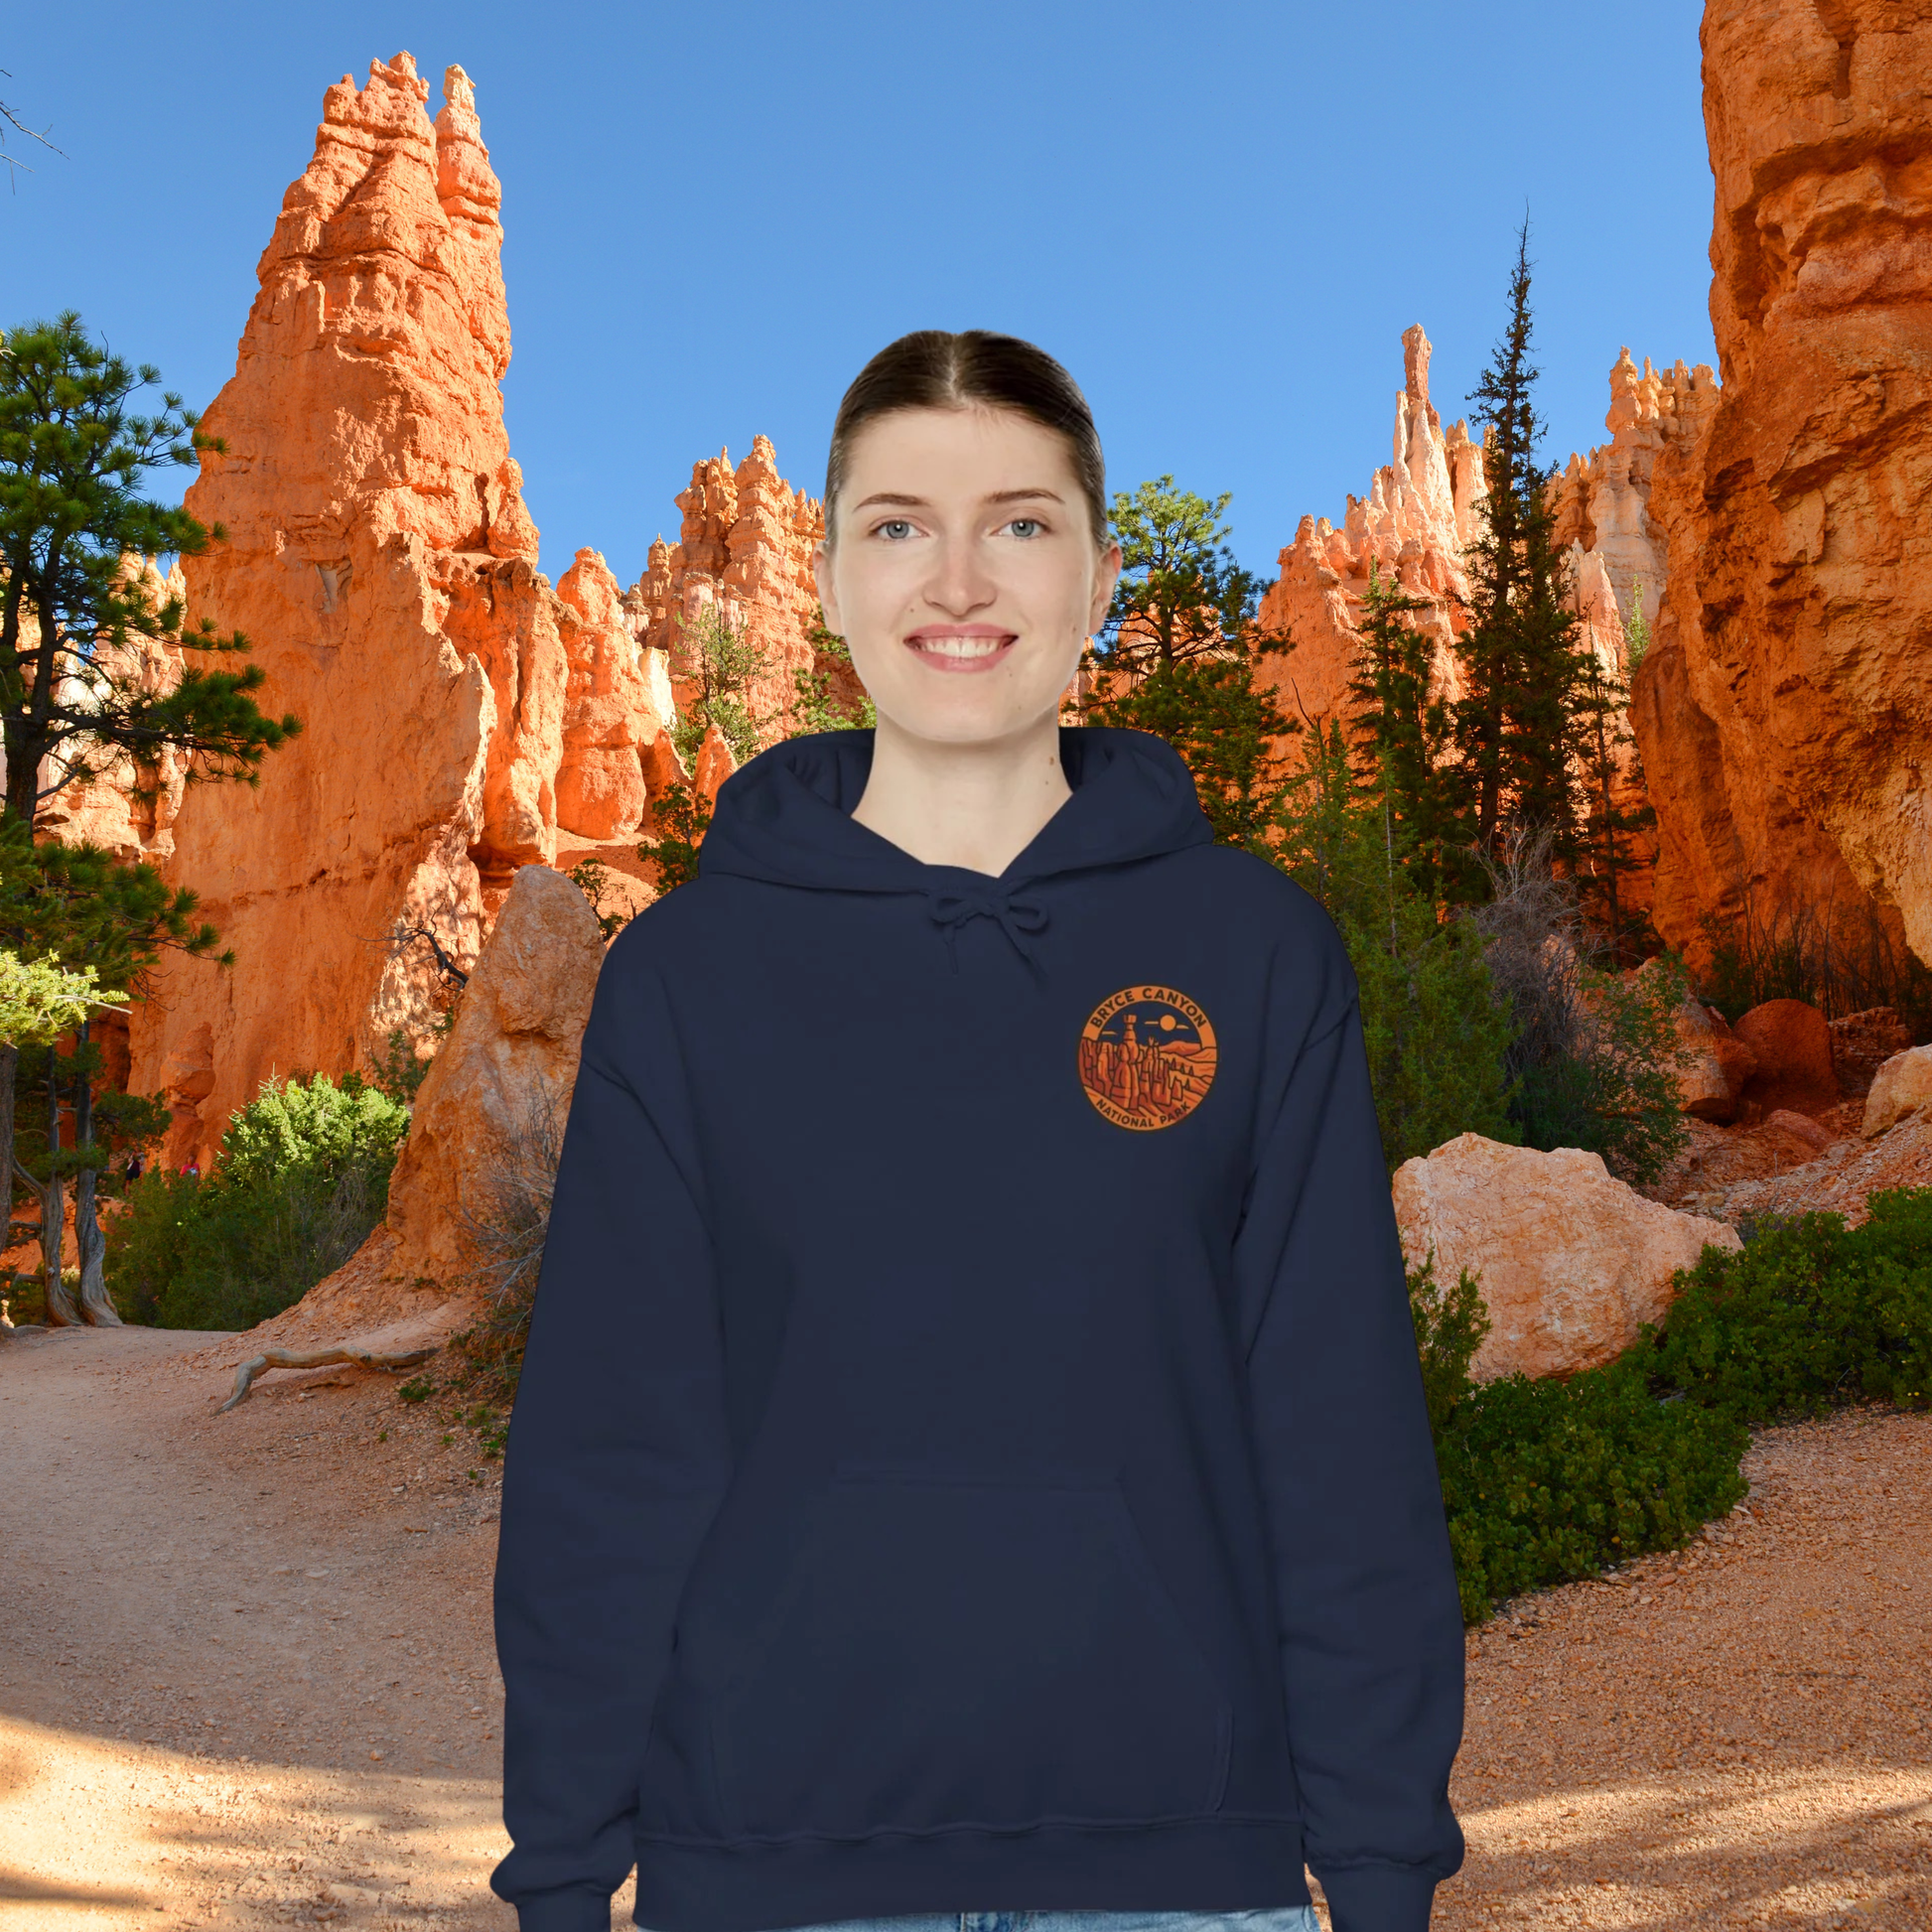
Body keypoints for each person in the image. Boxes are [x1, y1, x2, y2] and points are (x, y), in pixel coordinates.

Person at [490, 331, 1464, 1932]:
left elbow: (1335, 1430)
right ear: (821, 577)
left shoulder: (1252, 952)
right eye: (895, 524)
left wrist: (1375, 1871)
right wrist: (561, 1870)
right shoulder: (688, 976)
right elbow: (614, 1448)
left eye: (1017, 522)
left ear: (1096, 578)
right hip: (769, 1873)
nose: (957, 580)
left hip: (1182, 1877)